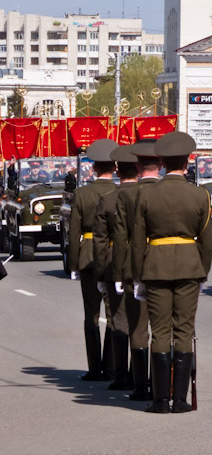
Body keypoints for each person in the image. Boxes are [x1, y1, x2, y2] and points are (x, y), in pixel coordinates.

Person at [130, 131, 212, 414]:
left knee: (160, 331)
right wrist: (202, 273)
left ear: (163, 163)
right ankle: (180, 399)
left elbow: (138, 241)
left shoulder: (147, 195)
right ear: (187, 163)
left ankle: (160, 400)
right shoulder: (200, 195)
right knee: (184, 331)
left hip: (155, 267)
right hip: (190, 266)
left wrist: (138, 275)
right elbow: (206, 242)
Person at [67, 138, 118, 382]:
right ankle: (112, 366)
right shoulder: (119, 193)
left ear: (94, 167)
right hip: (113, 253)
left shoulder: (82, 193)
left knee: (91, 314)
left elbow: (73, 232)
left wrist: (73, 264)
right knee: (113, 313)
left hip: (88, 254)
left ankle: (95, 368)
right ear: (115, 167)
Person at [92, 144, 140, 392]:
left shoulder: (109, 199)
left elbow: (100, 241)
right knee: (142, 323)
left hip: (115, 262)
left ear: (118, 172)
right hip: (145, 262)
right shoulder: (147, 195)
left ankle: (121, 376)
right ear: (138, 170)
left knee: (119, 320)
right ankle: (140, 376)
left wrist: (101, 273)